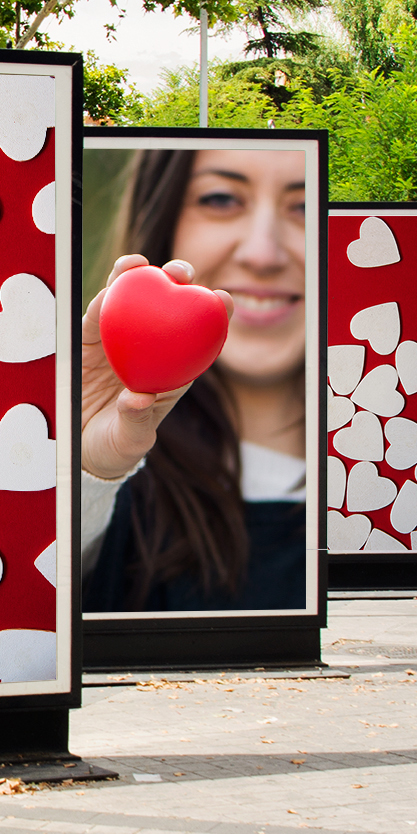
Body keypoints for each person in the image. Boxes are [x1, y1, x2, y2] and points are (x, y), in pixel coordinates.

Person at [77, 144, 309, 612]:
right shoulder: (128, 481)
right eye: (221, 199)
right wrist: (88, 473)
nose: (263, 254)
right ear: (163, 217)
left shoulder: (360, 478)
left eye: (303, 207)